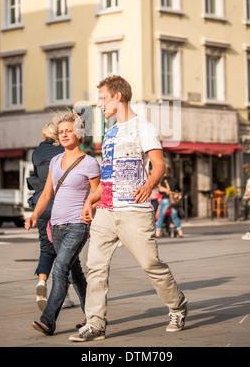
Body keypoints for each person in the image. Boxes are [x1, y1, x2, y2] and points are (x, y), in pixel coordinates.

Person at [69, 75, 188, 343]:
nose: (99, 105)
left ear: (117, 97)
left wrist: (149, 185)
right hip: (107, 212)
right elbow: (108, 178)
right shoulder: (109, 134)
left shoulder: (143, 127)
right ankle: (95, 323)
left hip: (135, 211)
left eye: (102, 99)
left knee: (150, 264)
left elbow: (159, 165)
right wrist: (91, 200)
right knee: (96, 267)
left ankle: (178, 305)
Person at [25, 110, 101, 336]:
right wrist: (35, 215)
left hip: (77, 225)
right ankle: (92, 315)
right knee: (73, 273)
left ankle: (48, 320)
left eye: (69, 131)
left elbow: (98, 194)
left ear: (79, 135)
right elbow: (47, 194)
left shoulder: (90, 163)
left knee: (59, 269)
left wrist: (91, 208)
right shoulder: (56, 160)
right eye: (61, 132)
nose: (65, 135)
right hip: (56, 227)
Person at [27, 122, 67, 311]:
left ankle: (42, 283)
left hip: (42, 205)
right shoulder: (64, 151)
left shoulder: (36, 153)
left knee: (46, 247)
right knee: (65, 252)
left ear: (44, 135)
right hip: (62, 204)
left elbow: (38, 176)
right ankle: (64, 296)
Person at [155, 167, 183, 238]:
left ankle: (158, 232)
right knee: (174, 216)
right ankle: (180, 231)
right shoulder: (174, 180)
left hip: (165, 199)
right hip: (173, 200)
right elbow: (179, 190)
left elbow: (160, 191)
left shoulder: (162, 181)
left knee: (161, 216)